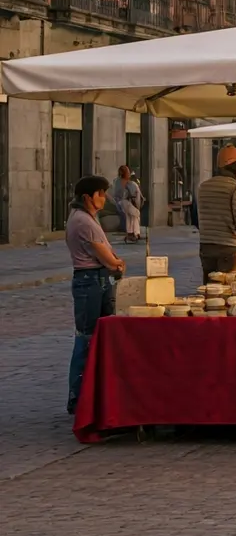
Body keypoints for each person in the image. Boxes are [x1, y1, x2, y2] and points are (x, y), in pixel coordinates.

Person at [65, 175, 126, 415]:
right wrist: (118, 264)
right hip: (91, 281)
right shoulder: (84, 222)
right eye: (100, 194)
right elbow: (108, 259)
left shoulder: (87, 218)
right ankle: (78, 396)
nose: (103, 198)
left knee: (100, 336)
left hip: (95, 280)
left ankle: (95, 392)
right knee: (87, 337)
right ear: (87, 197)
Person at [198, 145, 236, 279]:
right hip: (230, 249)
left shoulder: (202, 187)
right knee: (230, 291)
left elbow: (196, 218)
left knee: (210, 291)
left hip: (206, 247)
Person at [120, 169, 144, 244]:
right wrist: (137, 206)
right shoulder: (134, 185)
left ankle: (130, 232)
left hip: (124, 203)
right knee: (136, 215)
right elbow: (135, 197)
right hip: (129, 203)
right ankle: (136, 233)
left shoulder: (127, 184)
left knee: (130, 217)